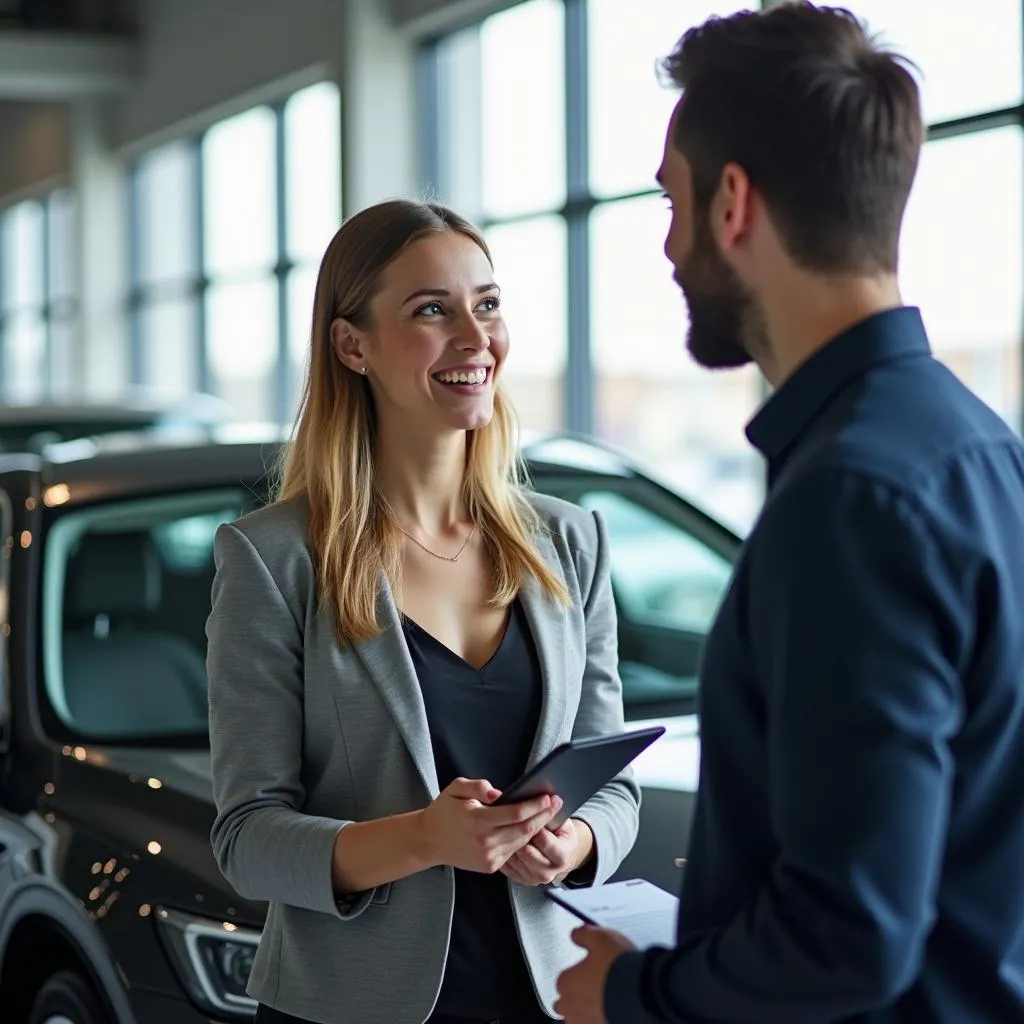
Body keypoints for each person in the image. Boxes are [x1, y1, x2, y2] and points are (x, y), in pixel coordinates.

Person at [555, 4, 1024, 1023]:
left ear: (733, 203)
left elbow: (847, 936)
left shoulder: (851, 500)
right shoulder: (978, 449)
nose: (670, 246)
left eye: (670, 202)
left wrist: (632, 994)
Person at [206, 198, 640, 1024]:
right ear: (351, 345)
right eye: (432, 311)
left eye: (487, 304)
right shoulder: (274, 558)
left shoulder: (570, 542)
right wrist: (424, 839)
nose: (476, 340)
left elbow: (611, 789)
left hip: (545, 998)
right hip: (350, 1006)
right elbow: (248, 839)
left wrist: (573, 845)